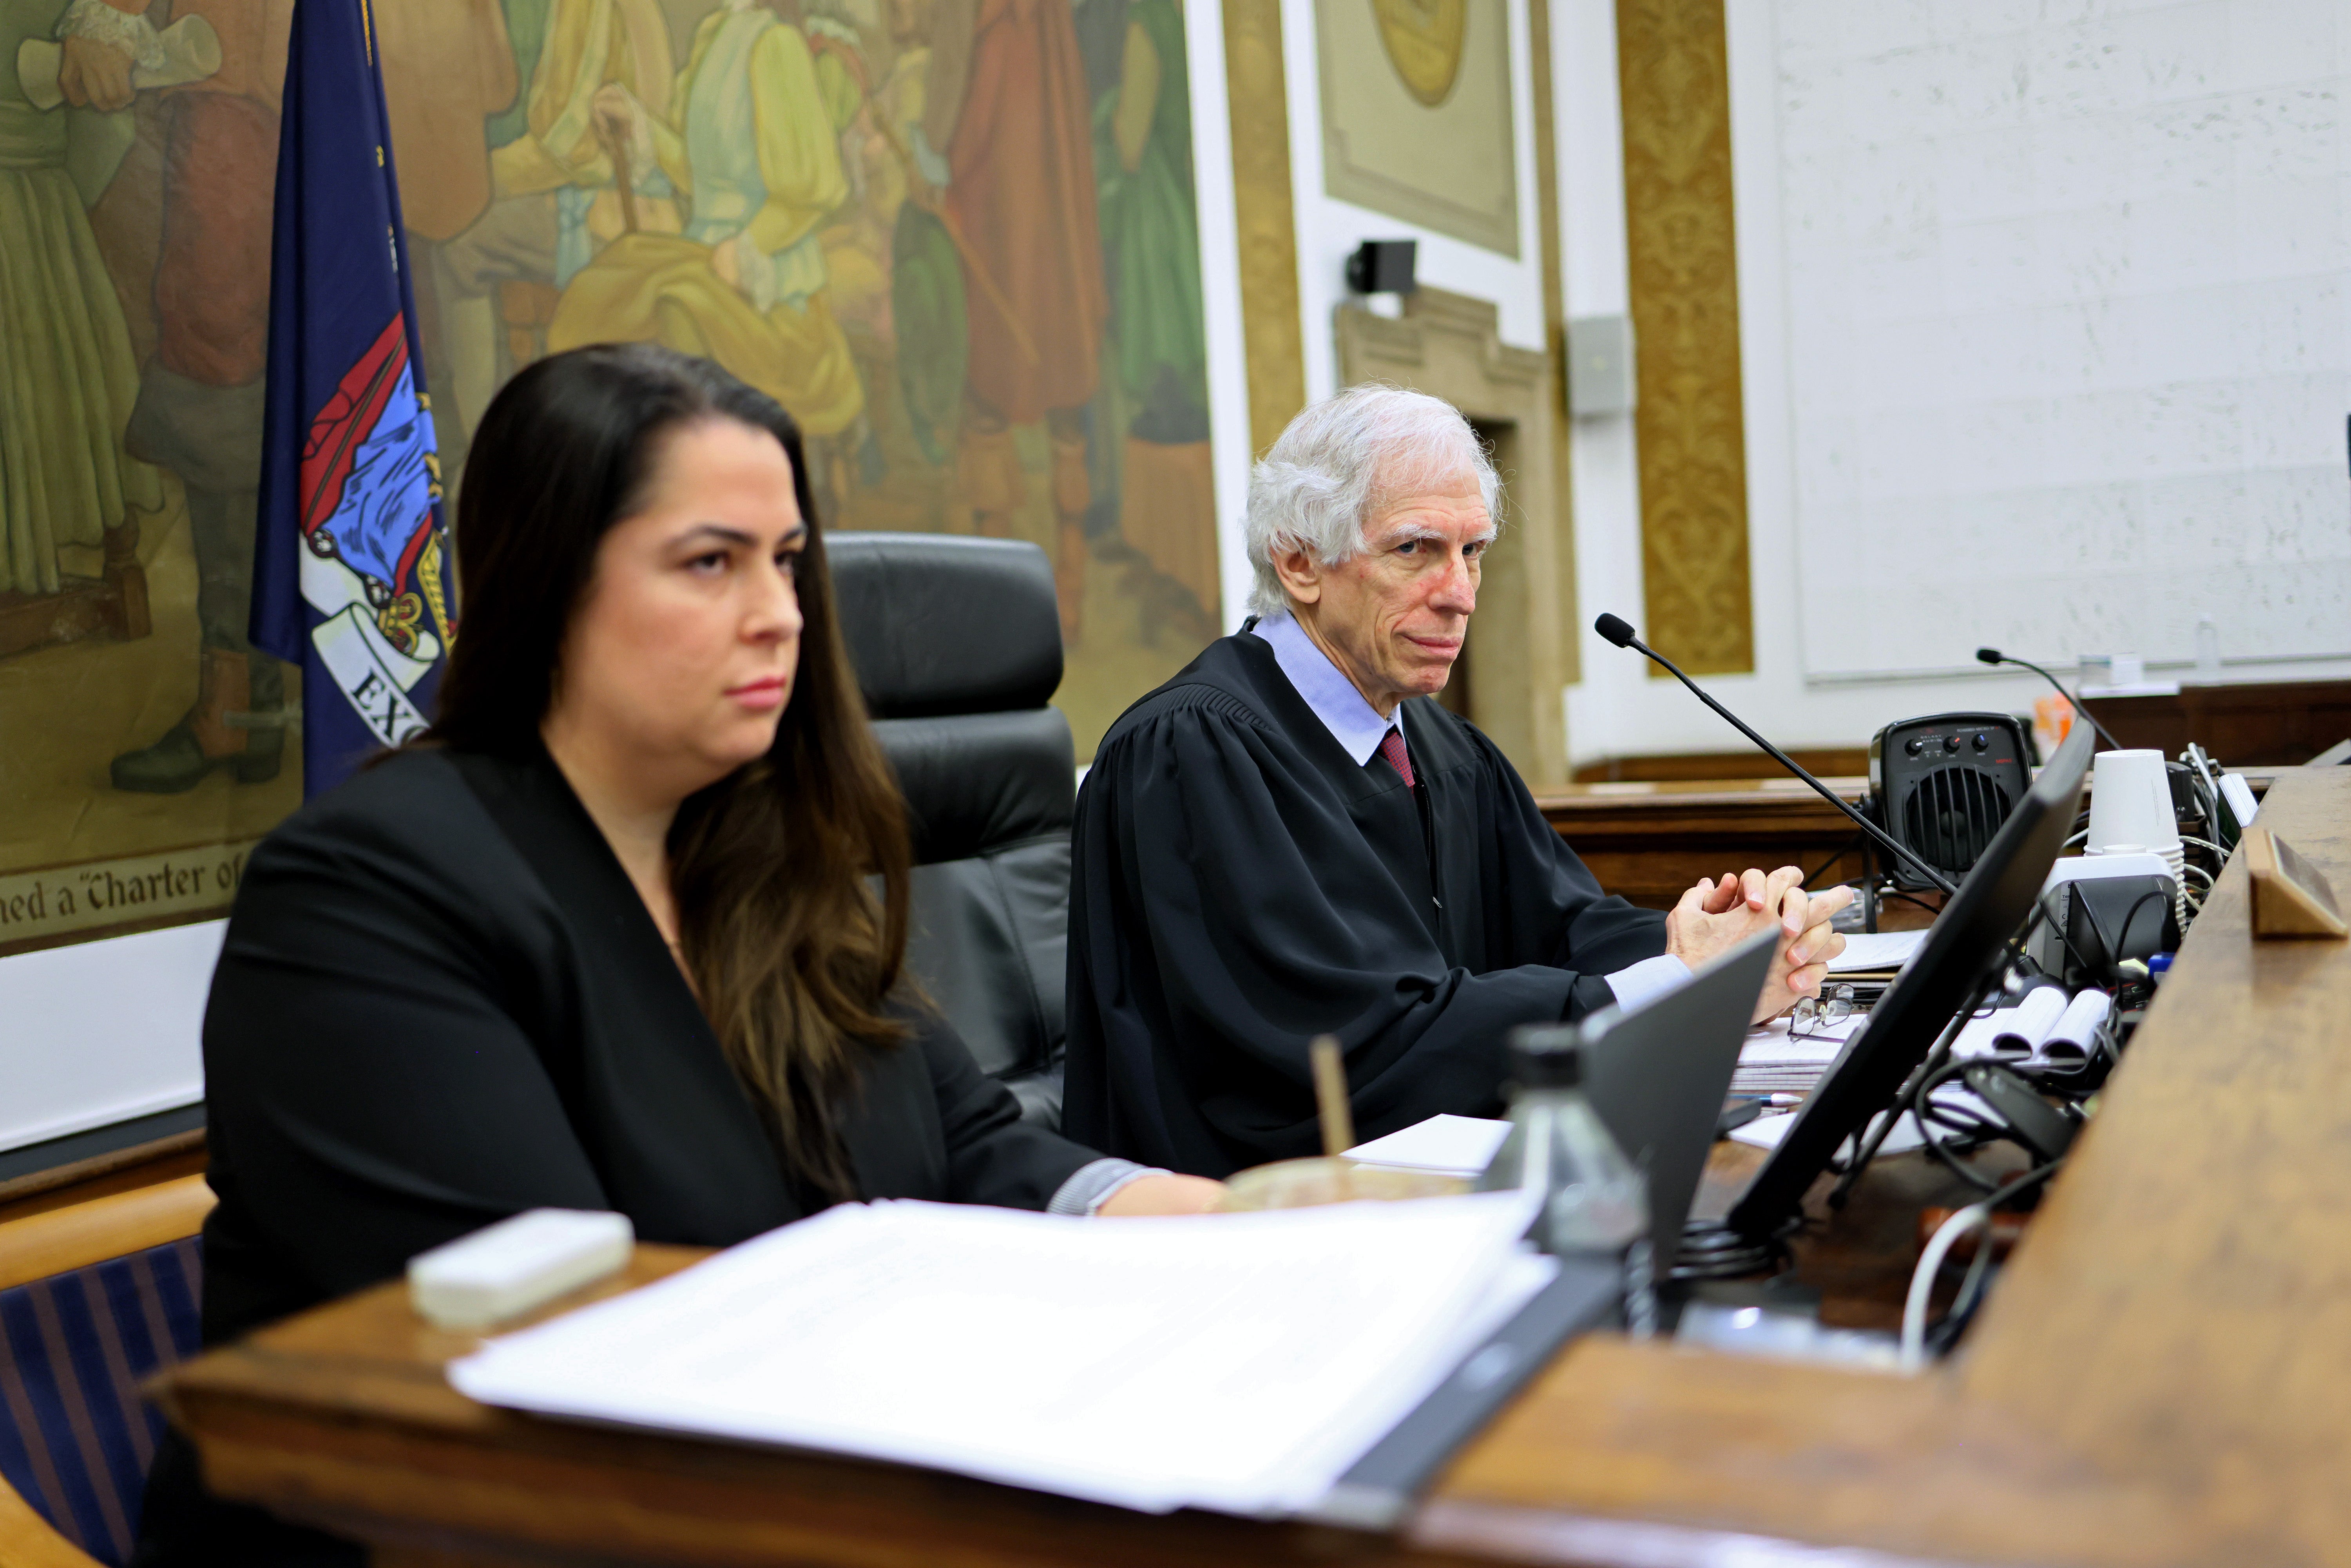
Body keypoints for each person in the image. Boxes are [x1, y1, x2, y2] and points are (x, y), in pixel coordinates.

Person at [134, 343, 1219, 1566]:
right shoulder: (368, 895)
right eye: (710, 563)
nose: (779, 615)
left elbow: (958, 1136)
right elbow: (557, 1359)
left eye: (788, 563)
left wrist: (1196, 1218)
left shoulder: (756, 851)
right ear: (547, 583)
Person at [1063, 385, 1851, 1179]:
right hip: (1245, 1227)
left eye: (1473, 551)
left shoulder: (1438, 745)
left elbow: (1561, 929)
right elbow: (1350, 1049)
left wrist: (1728, 944)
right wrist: (1679, 982)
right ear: (1300, 560)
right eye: (1415, 550)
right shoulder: (1194, 753)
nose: (1461, 594)